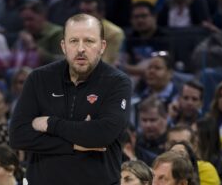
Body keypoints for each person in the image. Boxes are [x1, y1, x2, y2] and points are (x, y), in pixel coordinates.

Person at [9, 13, 132, 185]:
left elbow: (102, 134)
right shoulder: (39, 78)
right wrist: (75, 143)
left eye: (89, 41)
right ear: (63, 46)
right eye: (74, 41)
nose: (81, 48)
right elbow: (18, 135)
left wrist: (50, 124)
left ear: (102, 46)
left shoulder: (117, 83)